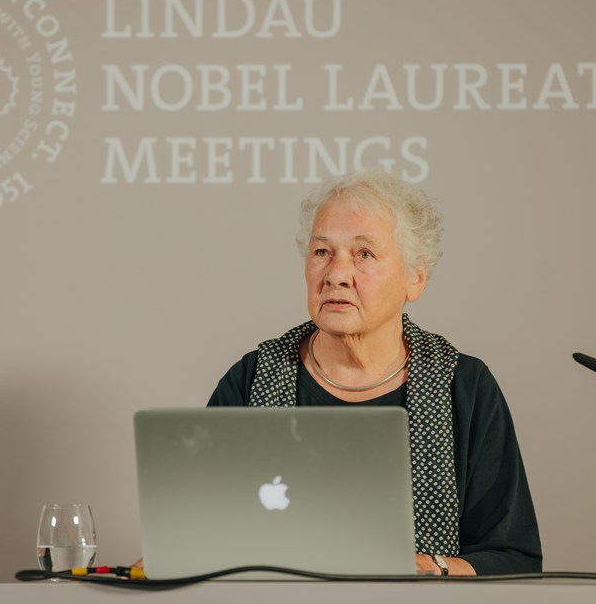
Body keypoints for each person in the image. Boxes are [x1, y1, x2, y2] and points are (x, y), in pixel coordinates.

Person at [207, 170, 542, 575]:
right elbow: (200, 536)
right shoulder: (251, 380)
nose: (335, 274)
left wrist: (432, 568)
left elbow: (513, 559)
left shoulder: (463, 386)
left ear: (415, 278)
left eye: (363, 254)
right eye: (321, 252)